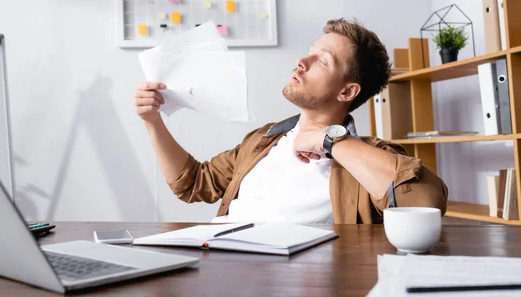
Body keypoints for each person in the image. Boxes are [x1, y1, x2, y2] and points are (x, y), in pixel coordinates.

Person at [134, 19, 448, 224]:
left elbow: (425, 201)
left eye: (322, 61)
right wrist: (153, 122)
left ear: (347, 91)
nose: (302, 61)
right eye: (310, 53)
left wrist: (331, 140)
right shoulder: (263, 140)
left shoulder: (367, 155)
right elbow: (192, 184)